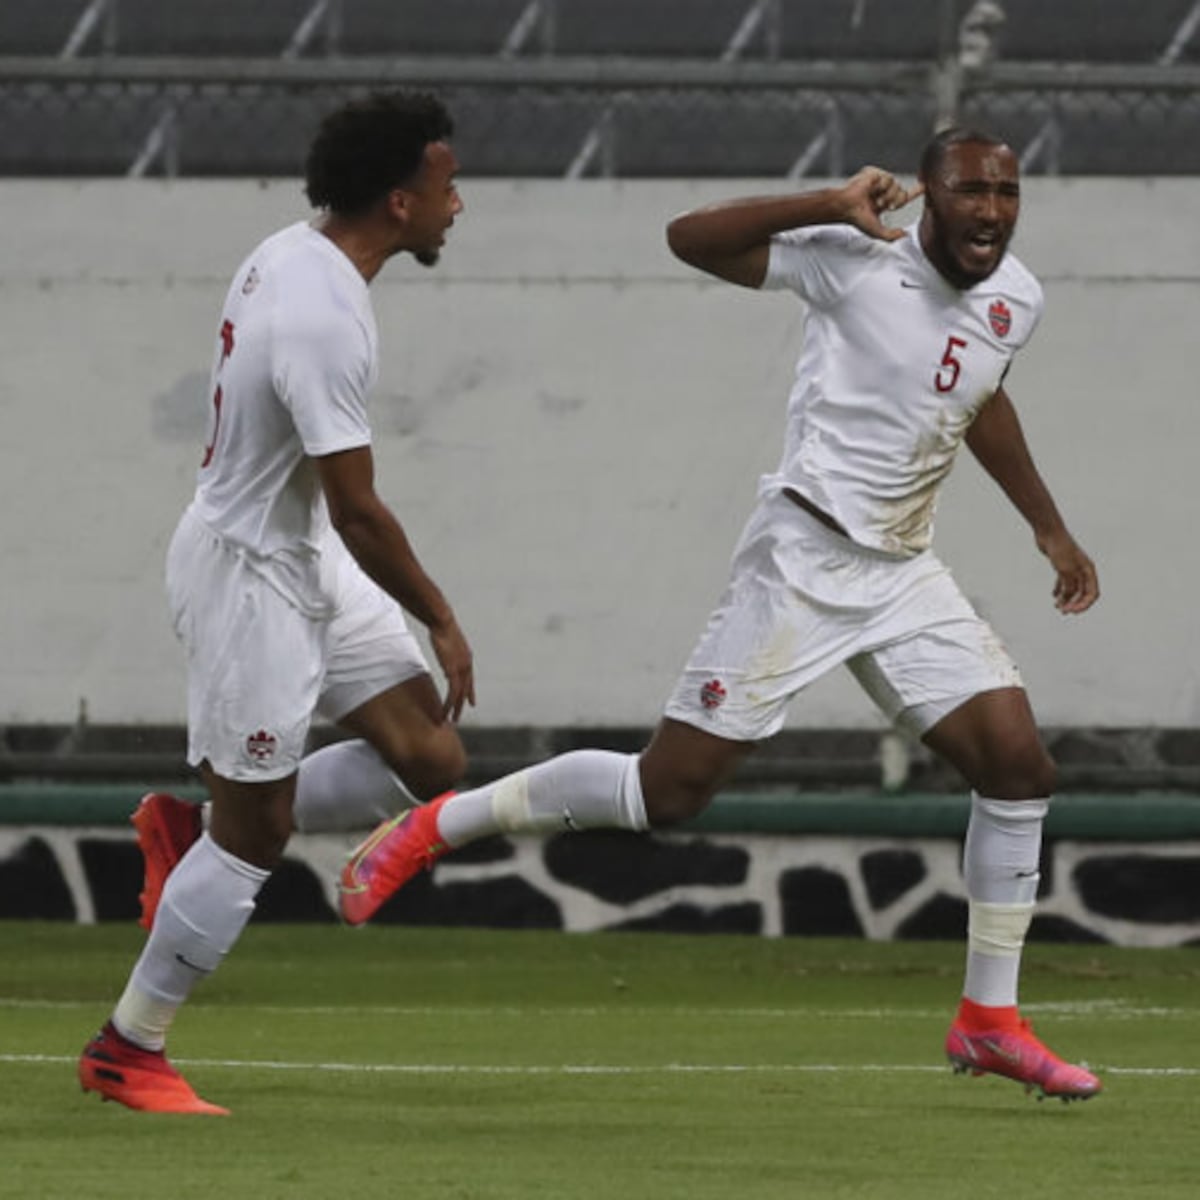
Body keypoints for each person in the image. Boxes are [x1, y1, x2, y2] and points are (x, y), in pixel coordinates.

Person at [337, 127, 1102, 1102]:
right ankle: (440, 824)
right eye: (971, 190)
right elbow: (688, 237)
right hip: (801, 561)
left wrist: (1048, 527)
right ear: (931, 193)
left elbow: (976, 393)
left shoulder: (1015, 299)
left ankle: (989, 1021)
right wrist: (826, 201)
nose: (991, 209)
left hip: (903, 573)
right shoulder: (855, 262)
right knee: (669, 792)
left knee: (1018, 766)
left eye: (1006, 191)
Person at [78, 90, 475, 1115]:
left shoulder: (297, 252)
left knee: (430, 756)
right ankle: (130, 1046)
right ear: (397, 200)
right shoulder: (322, 315)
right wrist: (439, 614)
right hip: (249, 575)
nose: (457, 204)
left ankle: (198, 826)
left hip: (298, 556)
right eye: (445, 185)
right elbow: (357, 508)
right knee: (255, 836)